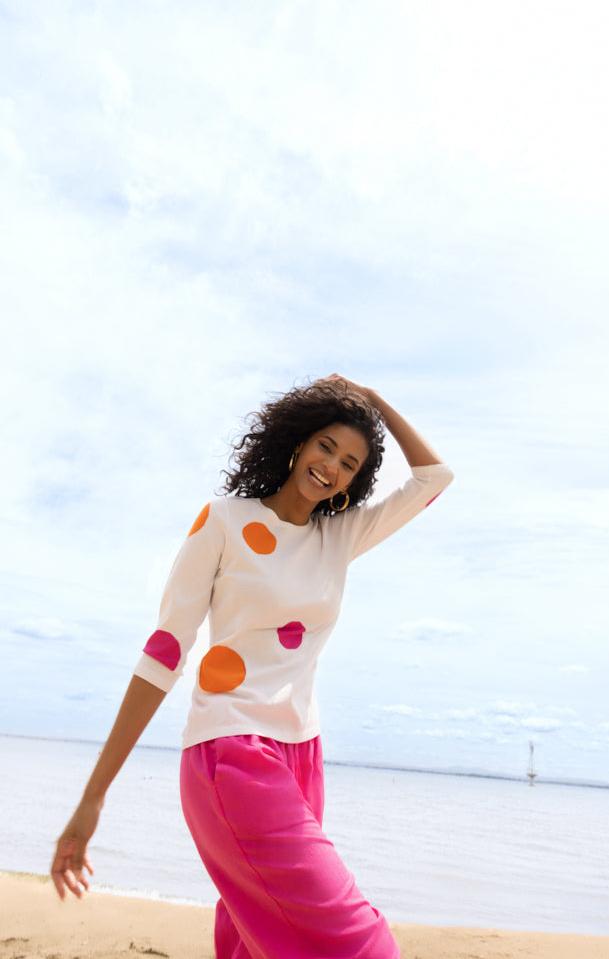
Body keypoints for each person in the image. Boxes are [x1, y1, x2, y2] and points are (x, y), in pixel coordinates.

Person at [51, 374, 454, 959]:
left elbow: (435, 478)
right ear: (297, 442)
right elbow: (164, 653)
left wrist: (373, 400)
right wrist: (93, 797)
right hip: (231, 754)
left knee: (252, 941)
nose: (331, 466)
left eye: (349, 462)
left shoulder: (338, 537)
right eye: (325, 446)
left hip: (301, 755)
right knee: (363, 946)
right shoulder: (224, 521)